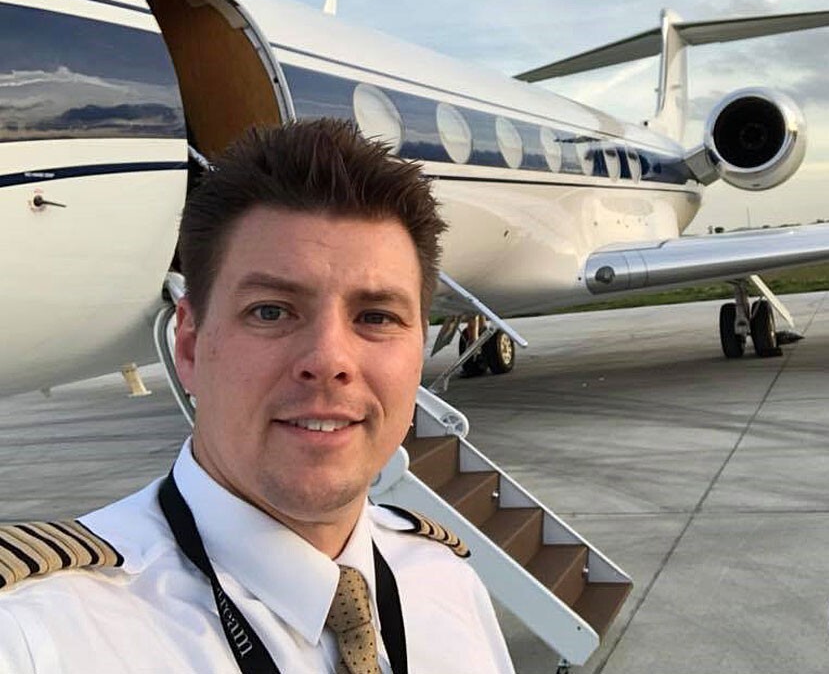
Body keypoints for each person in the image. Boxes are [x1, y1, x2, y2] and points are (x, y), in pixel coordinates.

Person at [0, 119, 515, 673]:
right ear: (191, 348)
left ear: (417, 352)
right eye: (270, 311)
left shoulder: (446, 581)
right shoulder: (38, 633)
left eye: (376, 317)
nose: (329, 361)